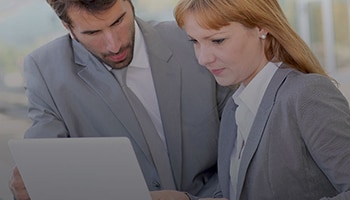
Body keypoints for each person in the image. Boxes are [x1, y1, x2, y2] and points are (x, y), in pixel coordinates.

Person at [8, 0, 234, 199]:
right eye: (93, 33)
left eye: (118, 22)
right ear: (67, 27)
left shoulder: (193, 41)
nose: (113, 45)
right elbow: (45, 161)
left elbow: (243, 145)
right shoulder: (43, 70)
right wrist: (31, 185)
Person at [174, 0, 350, 199]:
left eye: (217, 41)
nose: (203, 58)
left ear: (261, 27)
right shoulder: (234, 109)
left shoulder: (306, 94)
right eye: (195, 42)